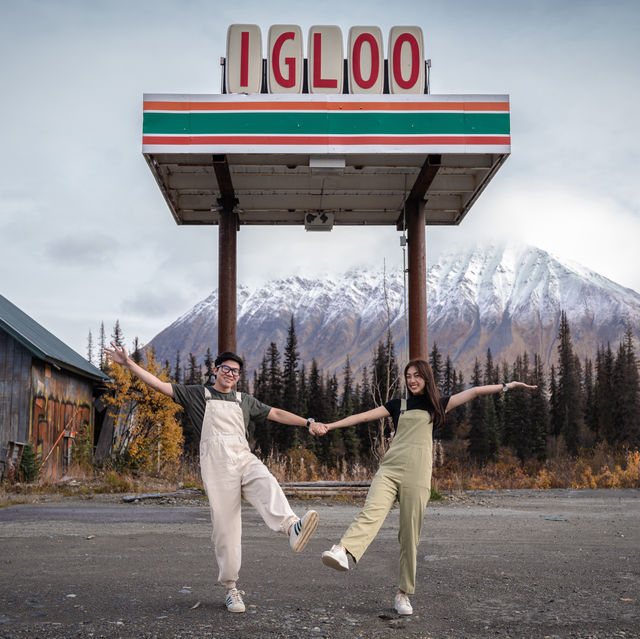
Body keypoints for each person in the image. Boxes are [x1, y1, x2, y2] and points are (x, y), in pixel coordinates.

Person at [104, 344, 327, 613]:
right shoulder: (197, 395)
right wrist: (128, 364)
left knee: (265, 478)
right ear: (215, 370)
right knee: (226, 528)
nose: (230, 374)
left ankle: (292, 527)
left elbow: (276, 413)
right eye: (226, 369)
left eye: (235, 371)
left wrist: (307, 422)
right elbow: (160, 385)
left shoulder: (244, 400)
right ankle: (232, 589)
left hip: (242, 457)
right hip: (217, 467)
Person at [319, 358, 536, 616]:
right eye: (408, 375)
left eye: (417, 375)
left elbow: (475, 391)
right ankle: (342, 551)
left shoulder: (436, 406)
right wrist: (329, 426)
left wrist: (508, 385)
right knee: (371, 512)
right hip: (389, 470)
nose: (411, 380)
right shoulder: (397, 405)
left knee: (409, 535)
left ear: (426, 378)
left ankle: (403, 594)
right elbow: (362, 416)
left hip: (418, 475)